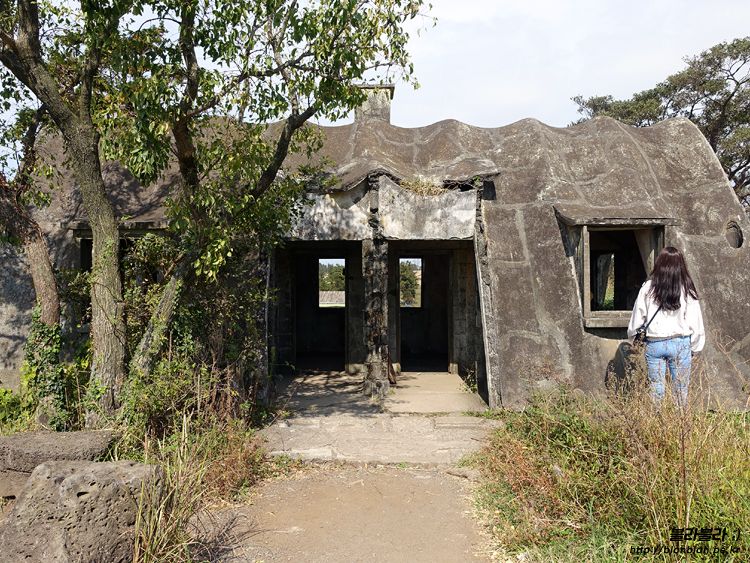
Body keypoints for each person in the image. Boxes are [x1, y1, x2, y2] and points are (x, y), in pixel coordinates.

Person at [627, 247, 705, 407]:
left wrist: (633, 339)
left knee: (656, 387)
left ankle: (657, 418)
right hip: (681, 343)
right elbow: (696, 321)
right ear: (681, 265)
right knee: (681, 388)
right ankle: (680, 419)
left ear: (659, 264)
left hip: (655, 343)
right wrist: (695, 347)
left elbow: (637, 317)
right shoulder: (686, 288)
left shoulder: (648, 287)